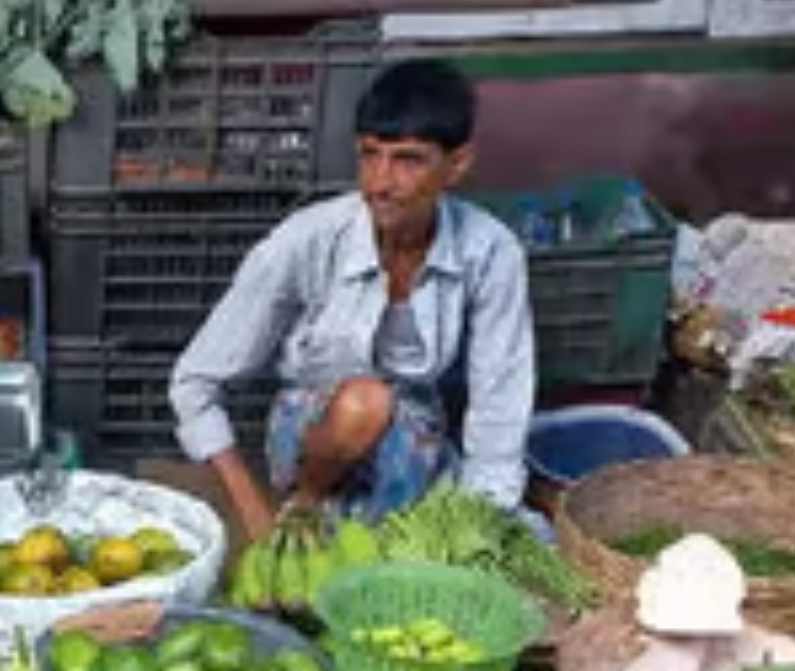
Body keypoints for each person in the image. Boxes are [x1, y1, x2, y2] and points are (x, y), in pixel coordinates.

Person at [168, 58, 537, 540]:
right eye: (369, 154)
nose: (380, 183)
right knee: (365, 403)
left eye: (407, 159)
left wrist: (473, 528)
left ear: (457, 164)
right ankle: (302, 506)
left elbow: (499, 404)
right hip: (314, 432)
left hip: (415, 437)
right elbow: (193, 382)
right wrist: (254, 513)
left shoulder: (491, 252)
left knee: (505, 535)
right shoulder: (306, 240)